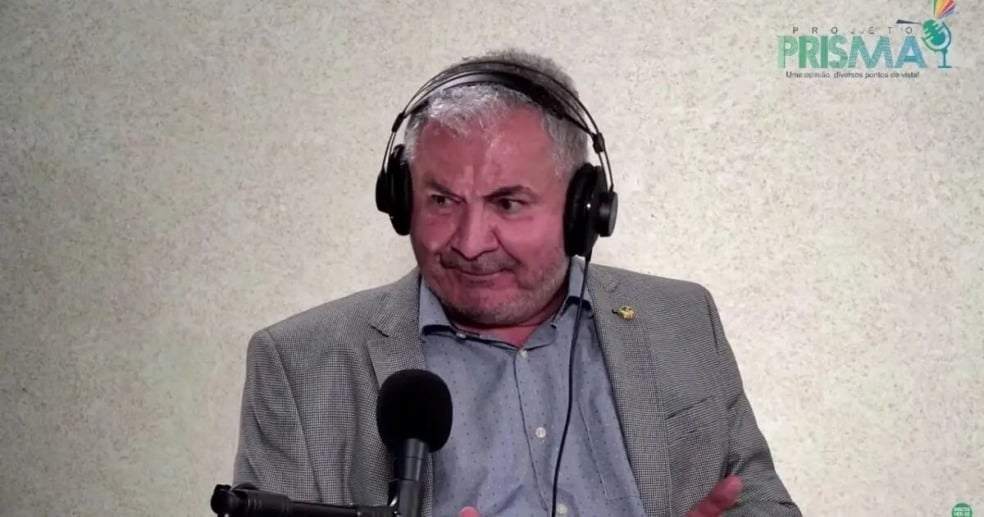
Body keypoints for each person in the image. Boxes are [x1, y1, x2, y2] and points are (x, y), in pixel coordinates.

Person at [231, 48, 800, 517]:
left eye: (507, 203)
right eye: (442, 200)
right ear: (401, 200)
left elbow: (760, 502)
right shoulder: (298, 364)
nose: (470, 241)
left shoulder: (680, 318)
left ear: (583, 208)